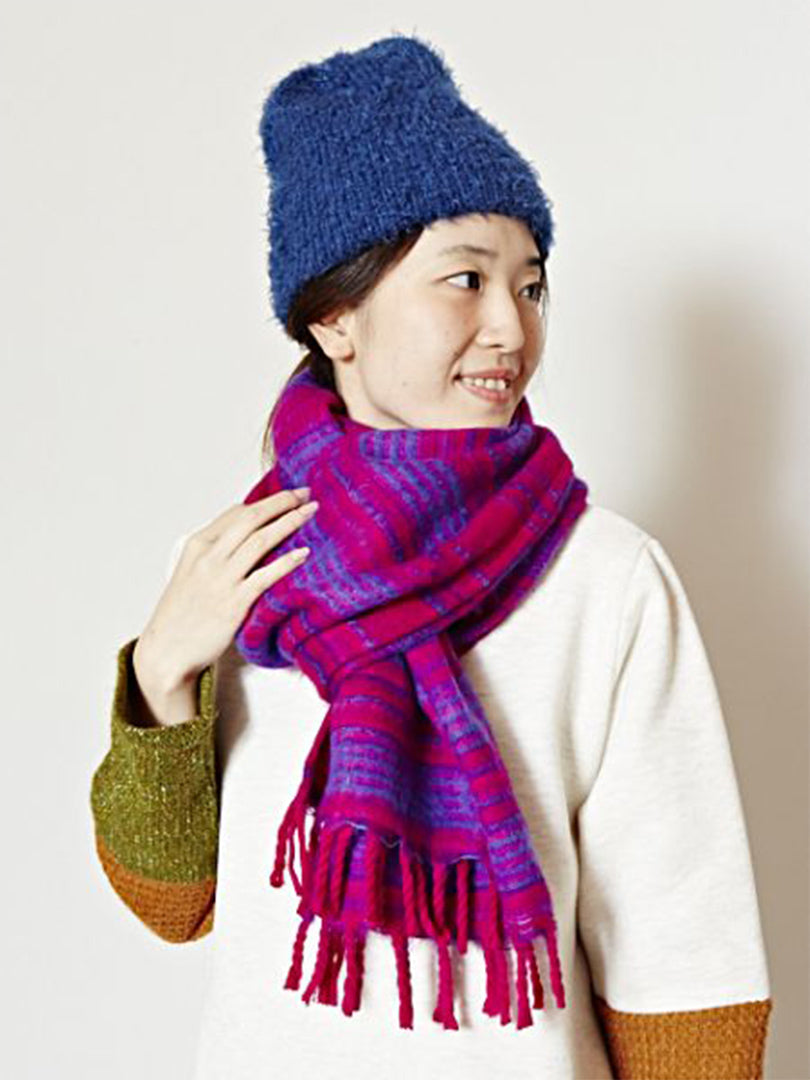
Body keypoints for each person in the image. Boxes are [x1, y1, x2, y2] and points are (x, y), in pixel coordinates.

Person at [89, 33, 773, 1080]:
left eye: (531, 287)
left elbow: (683, 944)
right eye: (465, 280)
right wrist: (160, 676)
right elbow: (172, 906)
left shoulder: (604, 577)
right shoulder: (239, 566)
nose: (510, 328)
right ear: (336, 319)